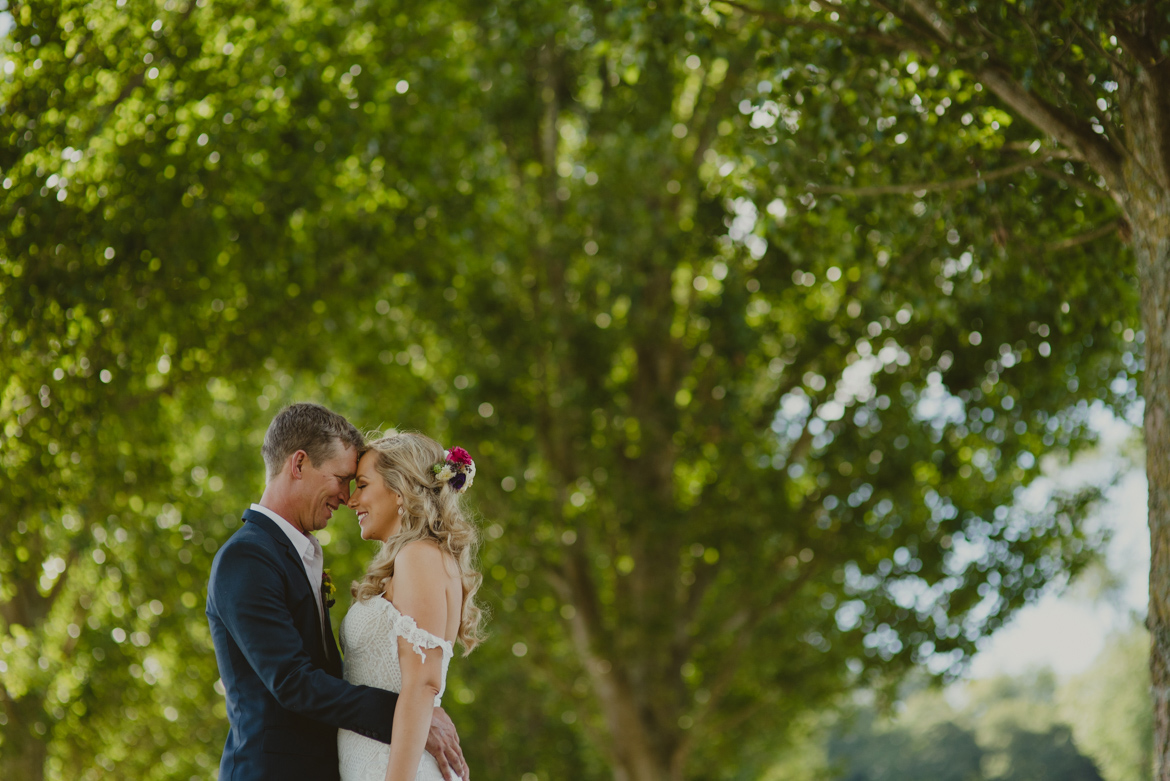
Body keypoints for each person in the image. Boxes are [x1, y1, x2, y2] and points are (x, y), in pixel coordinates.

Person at [206, 403, 469, 781]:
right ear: (298, 465)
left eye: (358, 484)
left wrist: (416, 708)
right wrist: (407, 713)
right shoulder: (247, 556)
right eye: (344, 479)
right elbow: (291, 681)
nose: (347, 498)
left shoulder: (306, 554)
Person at [338, 431, 484, 781]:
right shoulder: (415, 558)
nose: (351, 499)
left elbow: (422, 686)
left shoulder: (419, 557)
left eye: (362, 485)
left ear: (399, 488)